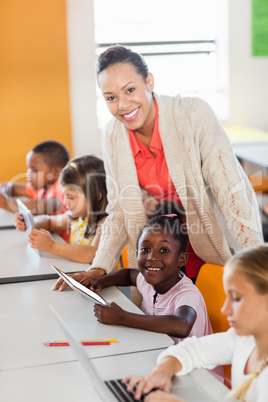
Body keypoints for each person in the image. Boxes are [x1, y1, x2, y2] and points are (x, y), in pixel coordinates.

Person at [122, 244, 268, 402]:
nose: (225, 309)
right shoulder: (243, 339)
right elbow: (194, 349)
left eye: (237, 299)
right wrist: (161, 372)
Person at [81, 201, 213, 343]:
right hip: (155, 351)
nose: (152, 257)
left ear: (181, 260)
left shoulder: (186, 293)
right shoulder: (148, 280)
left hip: (189, 363)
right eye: (145, 249)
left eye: (164, 250)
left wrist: (122, 317)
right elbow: (128, 275)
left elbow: (182, 325)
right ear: (137, 253)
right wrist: (100, 282)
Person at [15, 155, 118, 279]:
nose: (65, 202)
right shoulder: (78, 216)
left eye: (70, 197)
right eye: (64, 195)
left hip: (99, 286)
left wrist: (52, 246)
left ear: (96, 196)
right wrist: (31, 223)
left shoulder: (106, 223)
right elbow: (49, 222)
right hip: (75, 276)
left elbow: (93, 254)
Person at [0, 140, 69, 216]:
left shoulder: (61, 189)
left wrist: (7, 203)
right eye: (29, 169)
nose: (29, 175)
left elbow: (47, 206)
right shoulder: (41, 187)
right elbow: (9, 186)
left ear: (56, 172)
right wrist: (3, 192)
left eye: (35, 170)